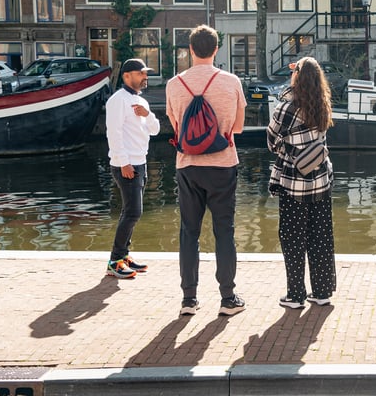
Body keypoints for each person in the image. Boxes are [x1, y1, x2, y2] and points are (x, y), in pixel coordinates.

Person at [165, 24, 247, 317]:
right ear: (216, 49)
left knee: (189, 231)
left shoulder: (174, 84)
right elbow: (237, 127)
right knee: (224, 230)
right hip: (223, 164)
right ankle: (227, 298)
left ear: (190, 50)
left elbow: (176, 126)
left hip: (187, 166)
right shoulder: (231, 81)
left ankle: (189, 299)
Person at [266, 57, 337, 309]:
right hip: (320, 181)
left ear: (296, 79)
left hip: (294, 183)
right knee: (320, 237)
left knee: (292, 237)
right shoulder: (323, 105)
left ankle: (295, 295)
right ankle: (321, 292)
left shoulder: (287, 108)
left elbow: (272, 142)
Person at [104, 58, 160, 279]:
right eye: (140, 73)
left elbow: (154, 130)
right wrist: (124, 162)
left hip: (140, 161)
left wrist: (148, 115)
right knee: (134, 212)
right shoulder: (117, 100)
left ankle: (123, 256)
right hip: (126, 165)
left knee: (129, 212)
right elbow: (113, 133)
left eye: (145, 73)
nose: (145, 77)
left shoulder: (141, 102)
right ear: (127, 76)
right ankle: (115, 260)